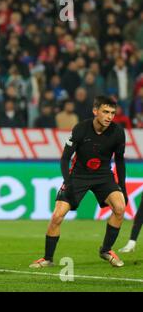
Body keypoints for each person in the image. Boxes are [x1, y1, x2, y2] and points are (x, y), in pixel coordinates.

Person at [30, 96, 128, 268]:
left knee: (120, 208)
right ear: (95, 111)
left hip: (104, 176)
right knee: (57, 216)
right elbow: (65, 158)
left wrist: (123, 188)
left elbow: (119, 161)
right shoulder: (81, 129)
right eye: (105, 112)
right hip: (78, 176)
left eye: (112, 113)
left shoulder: (118, 132)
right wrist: (68, 183)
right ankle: (47, 258)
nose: (109, 116)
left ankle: (106, 250)